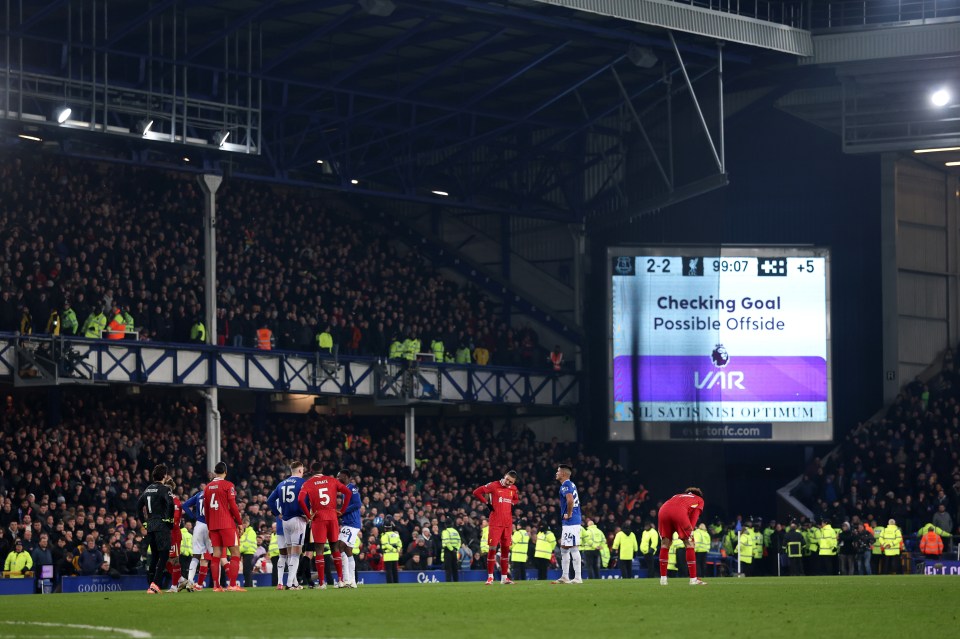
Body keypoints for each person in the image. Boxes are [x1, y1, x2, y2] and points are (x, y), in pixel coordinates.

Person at [297, 461, 352, 589]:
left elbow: (300, 500)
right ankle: (340, 581)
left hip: (318, 517)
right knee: (335, 548)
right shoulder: (332, 480)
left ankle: (322, 583)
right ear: (322, 470)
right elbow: (348, 493)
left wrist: (309, 515)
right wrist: (342, 510)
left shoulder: (308, 483)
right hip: (332, 516)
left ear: (311, 471)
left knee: (319, 550)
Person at [472, 470, 520, 585]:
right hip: (495, 523)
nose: (508, 483)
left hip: (508, 524)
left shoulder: (513, 488)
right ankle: (490, 577)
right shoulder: (493, 485)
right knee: (492, 548)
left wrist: (512, 504)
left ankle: (504, 578)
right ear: (504, 476)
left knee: (505, 550)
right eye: (507, 479)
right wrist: (487, 503)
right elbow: (476, 492)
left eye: (511, 482)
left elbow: (516, 499)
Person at [203, 461, 245, 592]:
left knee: (216, 554)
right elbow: (233, 506)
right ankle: (232, 584)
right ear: (225, 472)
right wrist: (239, 522)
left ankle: (216, 586)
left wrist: (210, 526)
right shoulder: (228, 485)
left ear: (215, 472)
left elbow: (206, 509)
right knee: (235, 553)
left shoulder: (207, 487)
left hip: (213, 525)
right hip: (226, 524)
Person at [267, 460, 307, 590]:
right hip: (297, 520)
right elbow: (305, 499)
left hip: (285, 521)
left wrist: (277, 513)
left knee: (289, 553)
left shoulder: (281, 484)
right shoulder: (303, 483)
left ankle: (292, 582)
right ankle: (290, 584)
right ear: (300, 471)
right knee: (296, 552)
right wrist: (306, 514)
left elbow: (270, 500)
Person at [137, 464, 174, 594]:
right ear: (164, 476)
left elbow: (138, 506)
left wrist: (144, 523)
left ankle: (150, 585)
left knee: (155, 556)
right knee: (164, 555)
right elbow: (171, 504)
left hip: (151, 526)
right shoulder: (164, 489)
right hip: (161, 525)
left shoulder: (147, 489)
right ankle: (155, 584)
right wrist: (170, 521)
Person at [657, 487, 706, 585]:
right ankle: (693, 579)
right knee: (689, 544)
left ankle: (663, 579)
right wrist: (689, 532)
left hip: (663, 510)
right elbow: (694, 516)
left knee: (665, 545)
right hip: (678, 513)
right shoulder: (699, 500)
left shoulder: (677, 495)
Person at [553, 464, 582, 585]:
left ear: (564, 474)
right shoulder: (571, 484)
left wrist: (569, 514)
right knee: (564, 547)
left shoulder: (565, 485)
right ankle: (565, 576)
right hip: (571, 521)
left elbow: (570, 500)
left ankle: (578, 577)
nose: (556, 473)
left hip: (571, 521)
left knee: (573, 548)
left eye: (558, 471)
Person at [336, 469, 363, 588]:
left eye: (339, 476)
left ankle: (346, 579)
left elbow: (357, 504)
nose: (337, 478)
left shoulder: (352, 488)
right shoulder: (343, 490)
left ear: (346, 476)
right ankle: (351, 581)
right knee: (347, 550)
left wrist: (342, 511)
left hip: (353, 523)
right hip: (347, 522)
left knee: (340, 546)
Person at [182, 487, 212, 590]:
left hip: (199, 526)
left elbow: (185, 505)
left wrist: (193, 517)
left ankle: (190, 581)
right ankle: (217, 585)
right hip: (211, 525)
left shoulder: (199, 494)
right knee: (215, 555)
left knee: (196, 555)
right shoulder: (214, 494)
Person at [162, 477, 187, 592]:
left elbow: (175, 519)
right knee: (164, 560)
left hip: (173, 534)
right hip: (165, 534)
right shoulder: (163, 500)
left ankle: (174, 586)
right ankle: (181, 579)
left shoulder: (174, 501)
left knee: (174, 560)